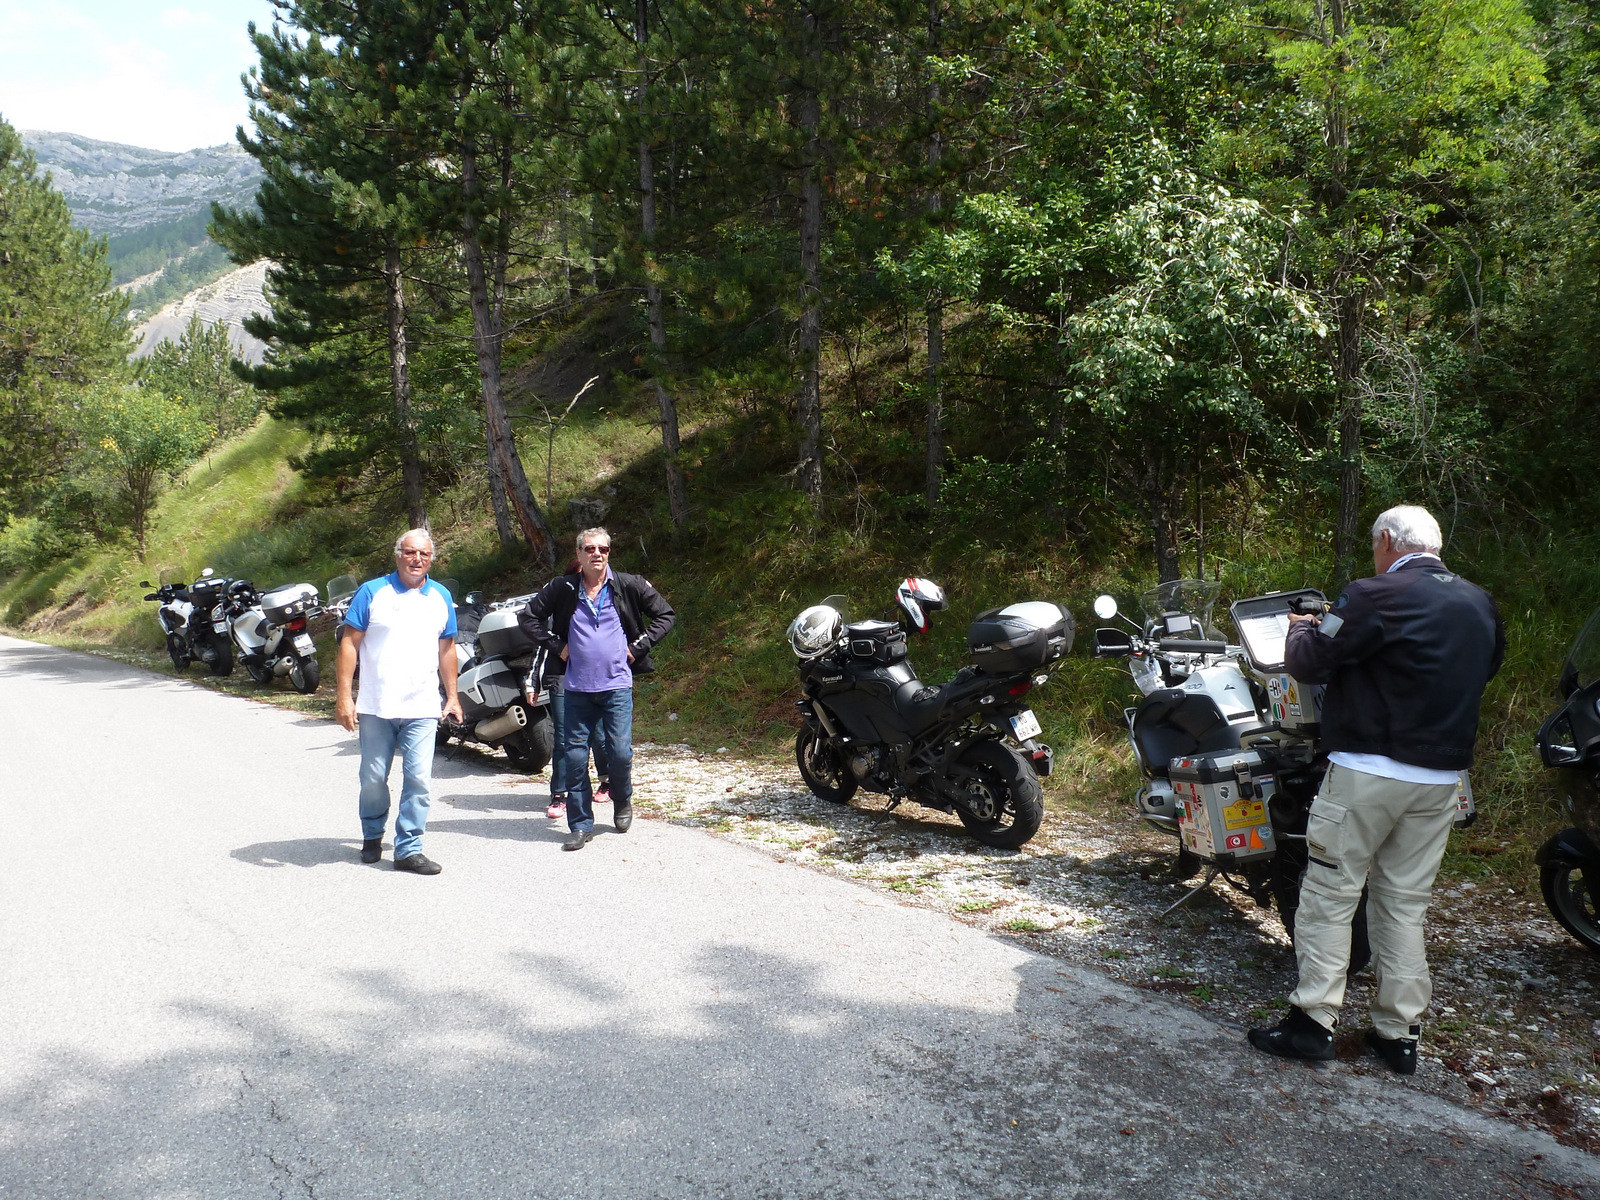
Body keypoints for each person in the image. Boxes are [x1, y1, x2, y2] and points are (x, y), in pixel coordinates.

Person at [1248, 505, 1504, 1074]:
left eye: (1375, 544)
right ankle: (1399, 1033)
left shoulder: (1372, 594)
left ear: (1387, 540)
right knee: (1404, 903)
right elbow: (1483, 668)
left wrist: (1300, 626)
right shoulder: (1478, 602)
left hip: (1367, 773)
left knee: (1330, 893)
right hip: (1440, 780)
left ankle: (1312, 1022)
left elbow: (1310, 663)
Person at [518, 527, 675, 851]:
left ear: (609, 553)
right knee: (575, 758)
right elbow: (529, 617)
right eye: (589, 549)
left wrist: (638, 648)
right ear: (578, 554)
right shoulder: (563, 588)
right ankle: (580, 825)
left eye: (603, 549)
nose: (597, 554)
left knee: (619, 753)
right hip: (576, 688)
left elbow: (665, 615)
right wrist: (557, 645)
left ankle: (622, 799)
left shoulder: (628, 584)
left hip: (616, 687)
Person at [334, 528, 463, 875]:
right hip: (377, 706)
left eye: (423, 554)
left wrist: (452, 696)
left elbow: (447, 648)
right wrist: (344, 696)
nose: (416, 559)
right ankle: (373, 834)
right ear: (398, 555)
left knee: (419, 778)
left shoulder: (441, 596)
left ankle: (408, 848)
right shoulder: (372, 592)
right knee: (373, 778)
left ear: (431, 559)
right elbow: (350, 644)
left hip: (422, 705)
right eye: (409, 553)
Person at [543, 558, 612, 821]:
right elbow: (541, 640)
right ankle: (560, 794)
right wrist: (531, 681)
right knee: (563, 737)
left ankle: (607, 781)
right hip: (561, 677)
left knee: (599, 734)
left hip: (595, 678)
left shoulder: (606, 600)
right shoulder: (559, 600)